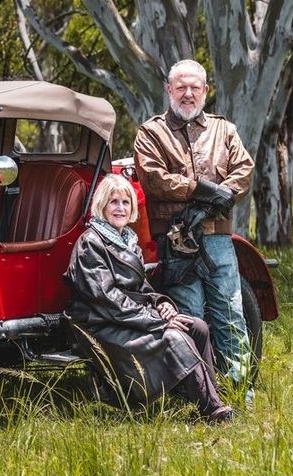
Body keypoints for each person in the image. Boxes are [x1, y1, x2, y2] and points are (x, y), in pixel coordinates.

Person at [133, 59, 255, 401]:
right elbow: (154, 178)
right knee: (189, 317)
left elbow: (243, 169)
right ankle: (200, 396)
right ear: (169, 90)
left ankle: (239, 391)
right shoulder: (151, 132)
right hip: (176, 240)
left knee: (230, 313)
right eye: (181, 87)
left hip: (217, 238)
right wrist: (204, 191)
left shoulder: (224, 130)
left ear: (205, 91)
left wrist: (222, 193)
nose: (188, 94)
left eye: (194, 87)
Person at [64, 174, 231, 421]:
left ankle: (210, 396)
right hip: (101, 323)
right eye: (113, 202)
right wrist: (159, 322)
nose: (120, 208)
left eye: (125, 202)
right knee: (174, 336)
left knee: (197, 327)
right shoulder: (91, 243)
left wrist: (160, 304)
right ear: (102, 205)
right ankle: (210, 410)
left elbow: (141, 289)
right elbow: (107, 299)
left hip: (128, 316)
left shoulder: (127, 241)